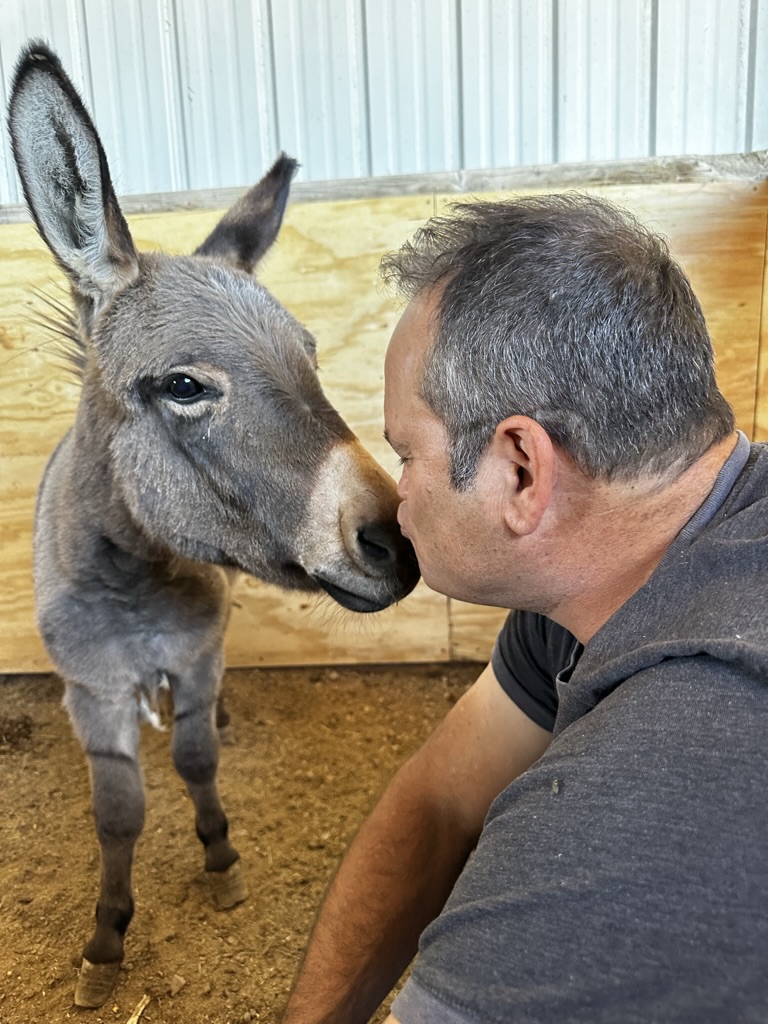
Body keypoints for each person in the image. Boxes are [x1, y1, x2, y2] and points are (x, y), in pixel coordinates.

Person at [280, 193, 768, 1024]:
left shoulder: (644, 797)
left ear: (520, 470)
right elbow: (440, 803)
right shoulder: (611, 575)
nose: (397, 493)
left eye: (407, 453)